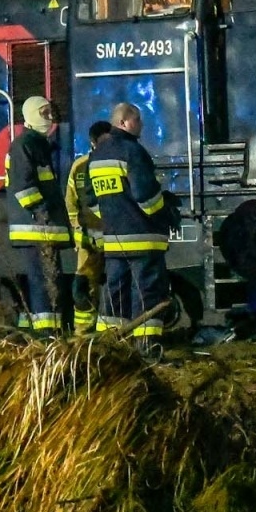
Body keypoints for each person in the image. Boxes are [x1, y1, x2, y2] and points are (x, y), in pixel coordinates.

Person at [89, 102, 175, 358]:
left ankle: (107, 353)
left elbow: (92, 201)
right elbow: (145, 196)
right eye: (137, 120)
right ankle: (148, 355)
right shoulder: (133, 151)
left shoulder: (97, 155)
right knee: (146, 295)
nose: (142, 125)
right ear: (124, 122)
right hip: (143, 240)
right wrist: (165, 210)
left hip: (114, 242)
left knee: (114, 298)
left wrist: (112, 218)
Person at [5, 95, 71, 337]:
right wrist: (42, 214)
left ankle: (50, 332)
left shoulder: (36, 143)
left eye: (50, 112)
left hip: (42, 229)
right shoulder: (25, 145)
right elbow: (24, 188)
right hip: (36, 229)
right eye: (44, 113)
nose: (50, 117)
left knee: (48, 281)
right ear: (32, 114)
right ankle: (46, 337)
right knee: (43, 283)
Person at [65, 120, 113, 334]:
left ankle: (108, 331)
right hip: (90, 240)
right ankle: (83, 333)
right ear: (93, 142)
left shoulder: (112, 162)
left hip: (113, 237)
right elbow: (71, 203)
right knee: (83, 286)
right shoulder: (80, 166)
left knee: (114, 284)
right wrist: (78, 232)